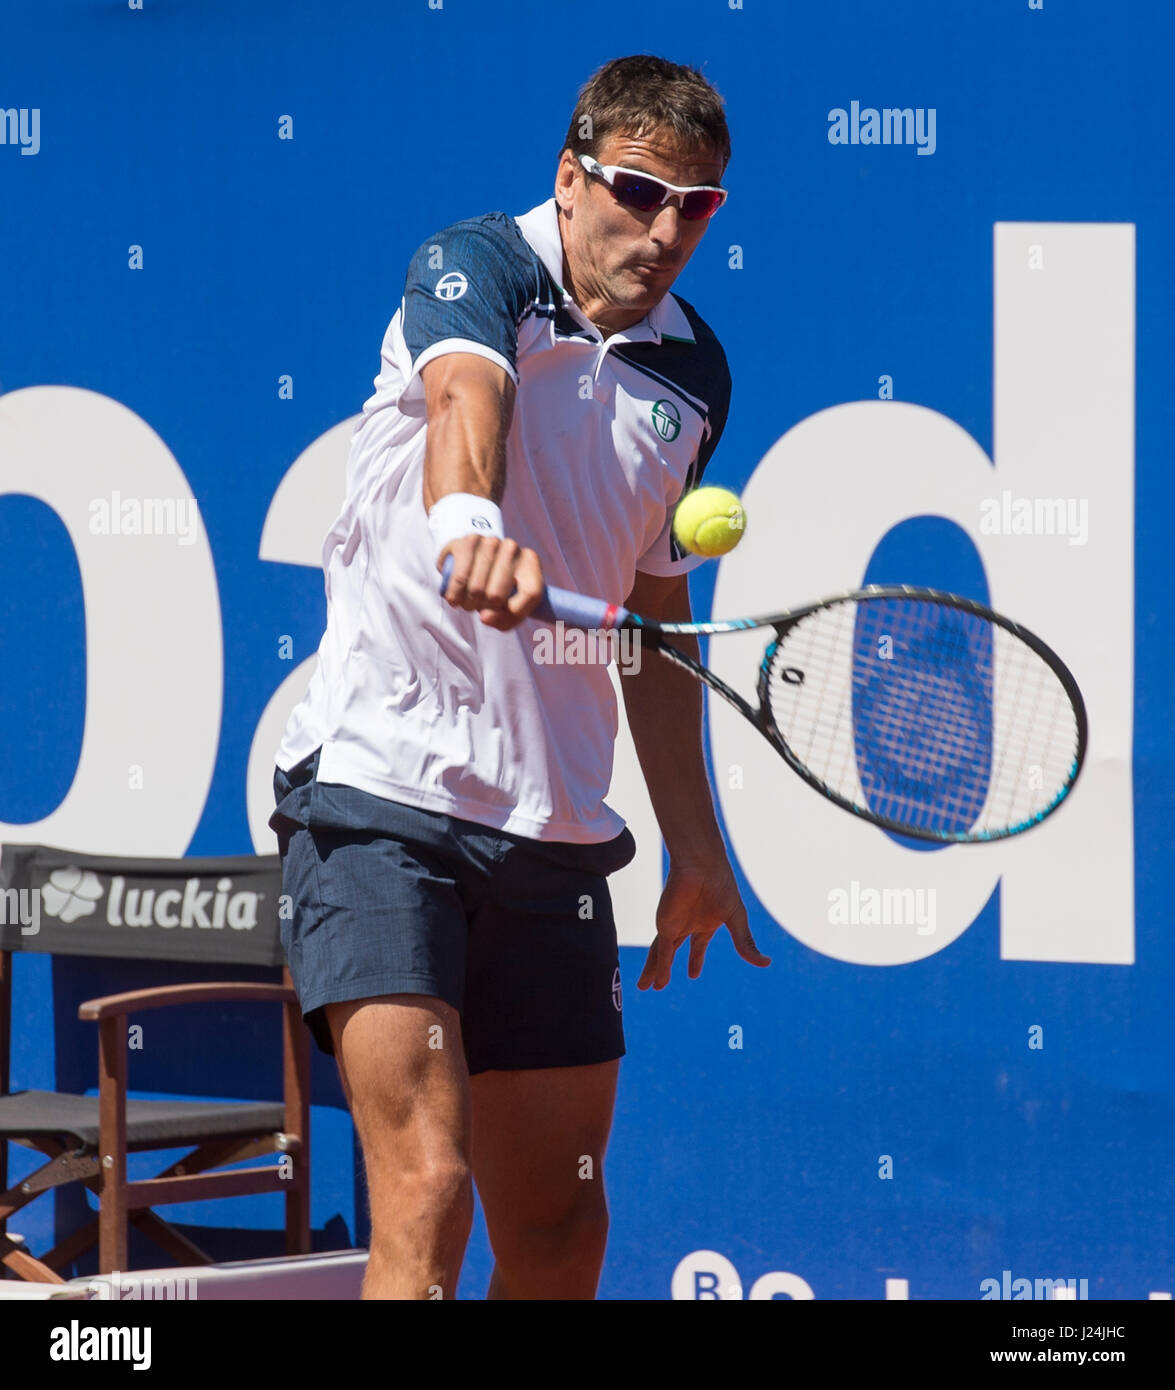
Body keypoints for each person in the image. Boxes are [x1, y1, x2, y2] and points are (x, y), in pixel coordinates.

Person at [269, 53, 770, 1302]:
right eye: (637, 190)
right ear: (570, 172)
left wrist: (695, 845)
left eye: (696, 206)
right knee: (428, 1192)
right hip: (381, 807)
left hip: (552, 840)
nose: (663, 230)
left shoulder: (694, 373)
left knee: (555, 1235)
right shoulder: (474, 267)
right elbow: (463, 404)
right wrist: (462, 530)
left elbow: (653, 616)